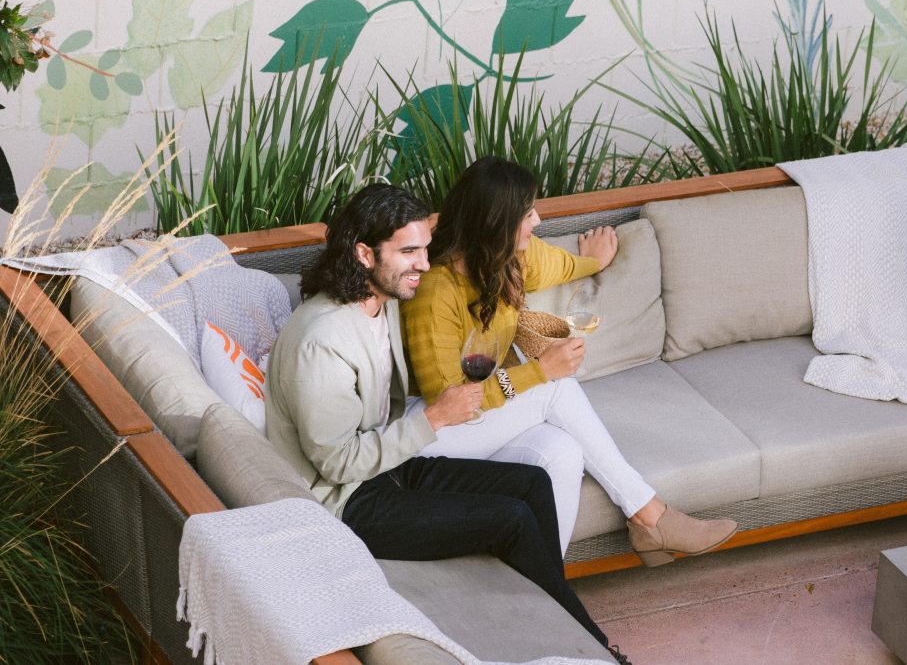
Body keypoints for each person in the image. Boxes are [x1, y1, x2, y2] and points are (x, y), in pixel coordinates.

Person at [264, 183, 626, 660]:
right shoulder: (322, 341)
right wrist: (435, 417)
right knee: (510, 518)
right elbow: (336, 463)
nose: (422, 262)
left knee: (533, 483)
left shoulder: (378, 301)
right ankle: (596, 651)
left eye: (425, 249)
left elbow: (477, 240)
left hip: (385, 469)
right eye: (408, 251)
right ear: (364, 254)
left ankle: (549, 629)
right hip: (344, 503)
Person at [402, 157, 736, 566]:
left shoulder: (508, 263)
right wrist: (539, 372)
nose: (538, 221)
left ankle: (545, 583)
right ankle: (650, 515)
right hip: (430, 435)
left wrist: (594, 262)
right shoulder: (437, 290)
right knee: (555, 386)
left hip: (478, 425)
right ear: (496, 222)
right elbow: (448, 400)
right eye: (527, 213)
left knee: (561, 452)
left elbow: (559, 264)